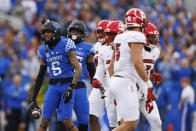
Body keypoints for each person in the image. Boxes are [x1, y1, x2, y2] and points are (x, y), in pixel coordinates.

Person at [29, 19, 82, 131]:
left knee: (67, 121)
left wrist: (71, 87)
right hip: (52, 86)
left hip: (66, 84)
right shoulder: (43, 50)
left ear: (55, 33)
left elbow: (78, 69)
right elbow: (40, 75)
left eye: (49, 32)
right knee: (44, 121)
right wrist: (33, 99)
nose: (46, 34)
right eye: (45, 32)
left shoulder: (66, 44)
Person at [108, 8, 156, 131]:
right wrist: (149, 84)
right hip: (125, 82)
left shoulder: (119, 37)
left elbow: (111, 66)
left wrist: (115, 87)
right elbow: (137, 62)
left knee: (124, 123)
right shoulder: (137, 36)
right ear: (141, 21)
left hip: (116, 80)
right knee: (131, 124)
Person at [56, 20, 96, 131]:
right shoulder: (61, 43)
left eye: (77, 32)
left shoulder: (88, 48)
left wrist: (96, 82)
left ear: (82, 34)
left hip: (79, 86)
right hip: (64, 84)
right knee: (62, 119)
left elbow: (91, 67)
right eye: (73, 31)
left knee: (84, 119)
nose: (74, 34)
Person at [89, 20, 124, 131]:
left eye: (102, 31)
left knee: (114, 119)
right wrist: (94, 77)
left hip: (113, 84)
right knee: (91, 114)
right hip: (99, 84)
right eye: (98, 31)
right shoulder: (97, 47)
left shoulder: (121, 48)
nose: (100, 34)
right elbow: (98, 67)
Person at [136, 22, 162, 131]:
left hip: (145, 90)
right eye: (152, 36)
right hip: (132, 89)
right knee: (129, 124)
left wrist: (153, 75)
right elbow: (133, 68)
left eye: (155, 36)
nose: (155, 39)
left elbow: (149, 68)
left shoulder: (156, 51)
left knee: (156, 121)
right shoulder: (137, 49)